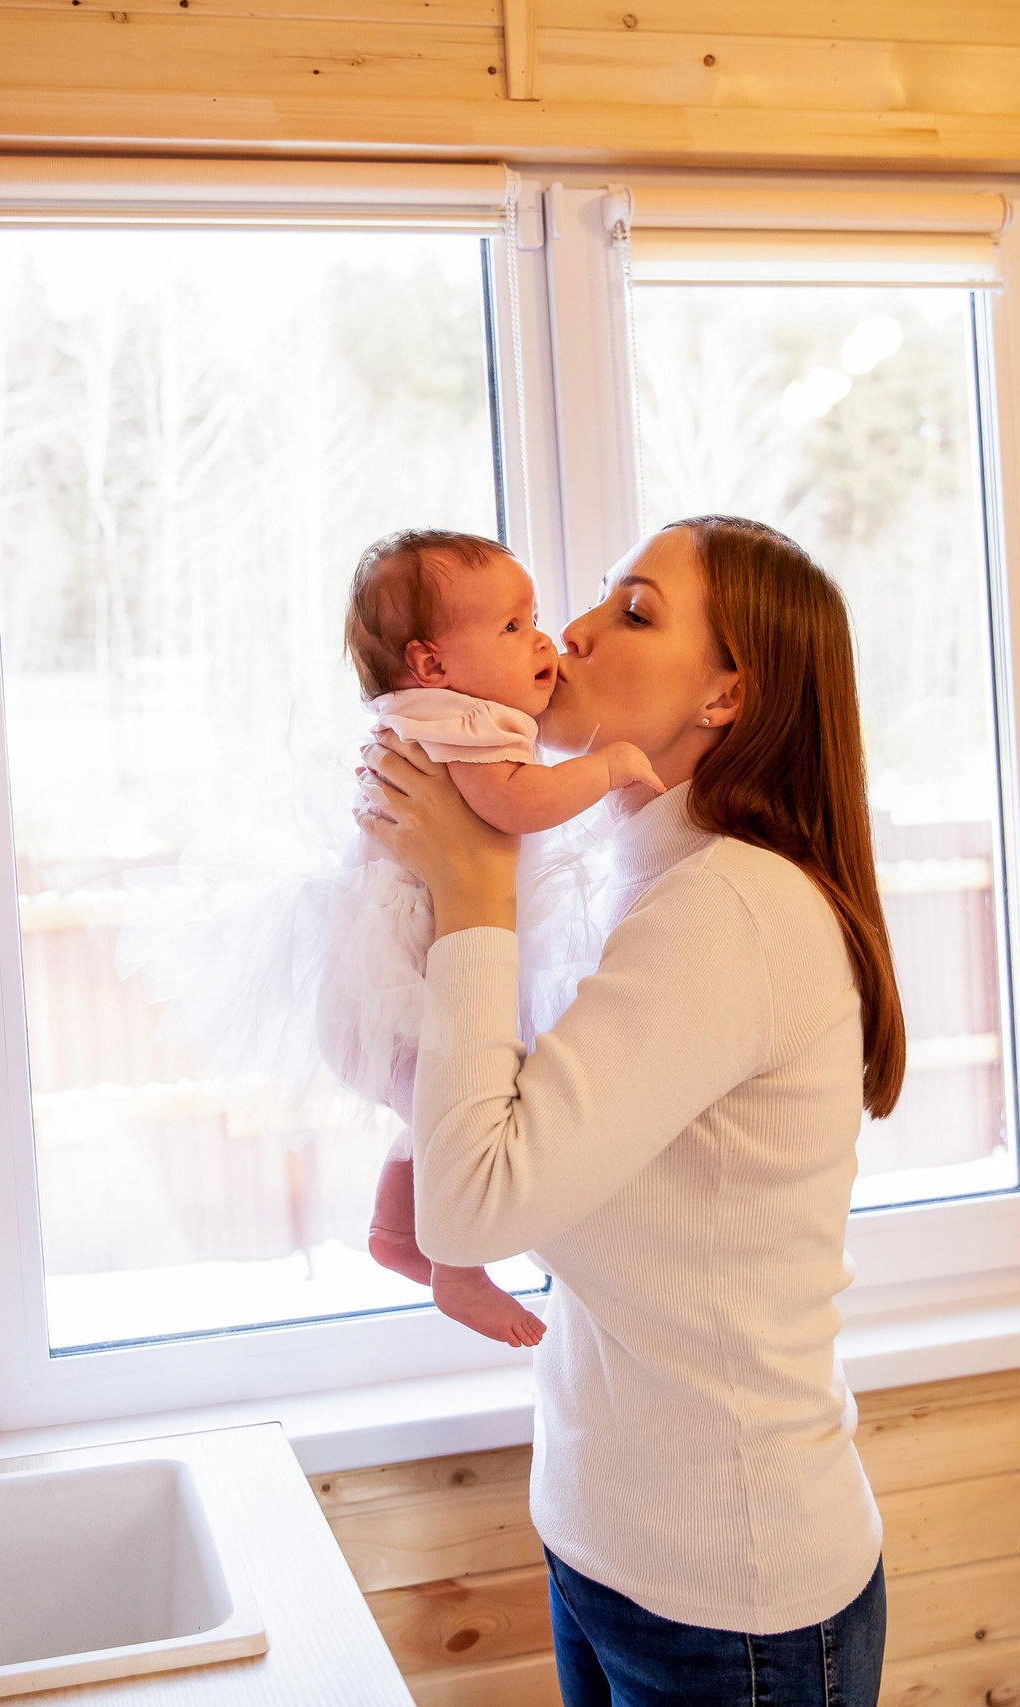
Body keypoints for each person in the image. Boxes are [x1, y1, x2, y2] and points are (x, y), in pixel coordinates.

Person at [357, 515, 903, 1707]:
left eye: (637, 612)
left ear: (725, 697)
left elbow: (473, 1206)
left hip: (729, 1602)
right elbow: (497, 1149)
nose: (576, 632)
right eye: (597, 599)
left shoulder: (731, 911)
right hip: (607, 1544)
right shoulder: (628, 878)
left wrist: (470, 889)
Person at [333, 527, 663, 1348]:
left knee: (424, 1100)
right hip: (415, 971)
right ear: (432, 664)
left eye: (533, 617)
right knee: (455, 1101)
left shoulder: (434, 712)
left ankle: (397, 1230)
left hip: (388, 968)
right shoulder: (463, 723)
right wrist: (610, 762)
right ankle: (458, 1270)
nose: (547, 639)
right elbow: (517, 804)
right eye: (513, 628)